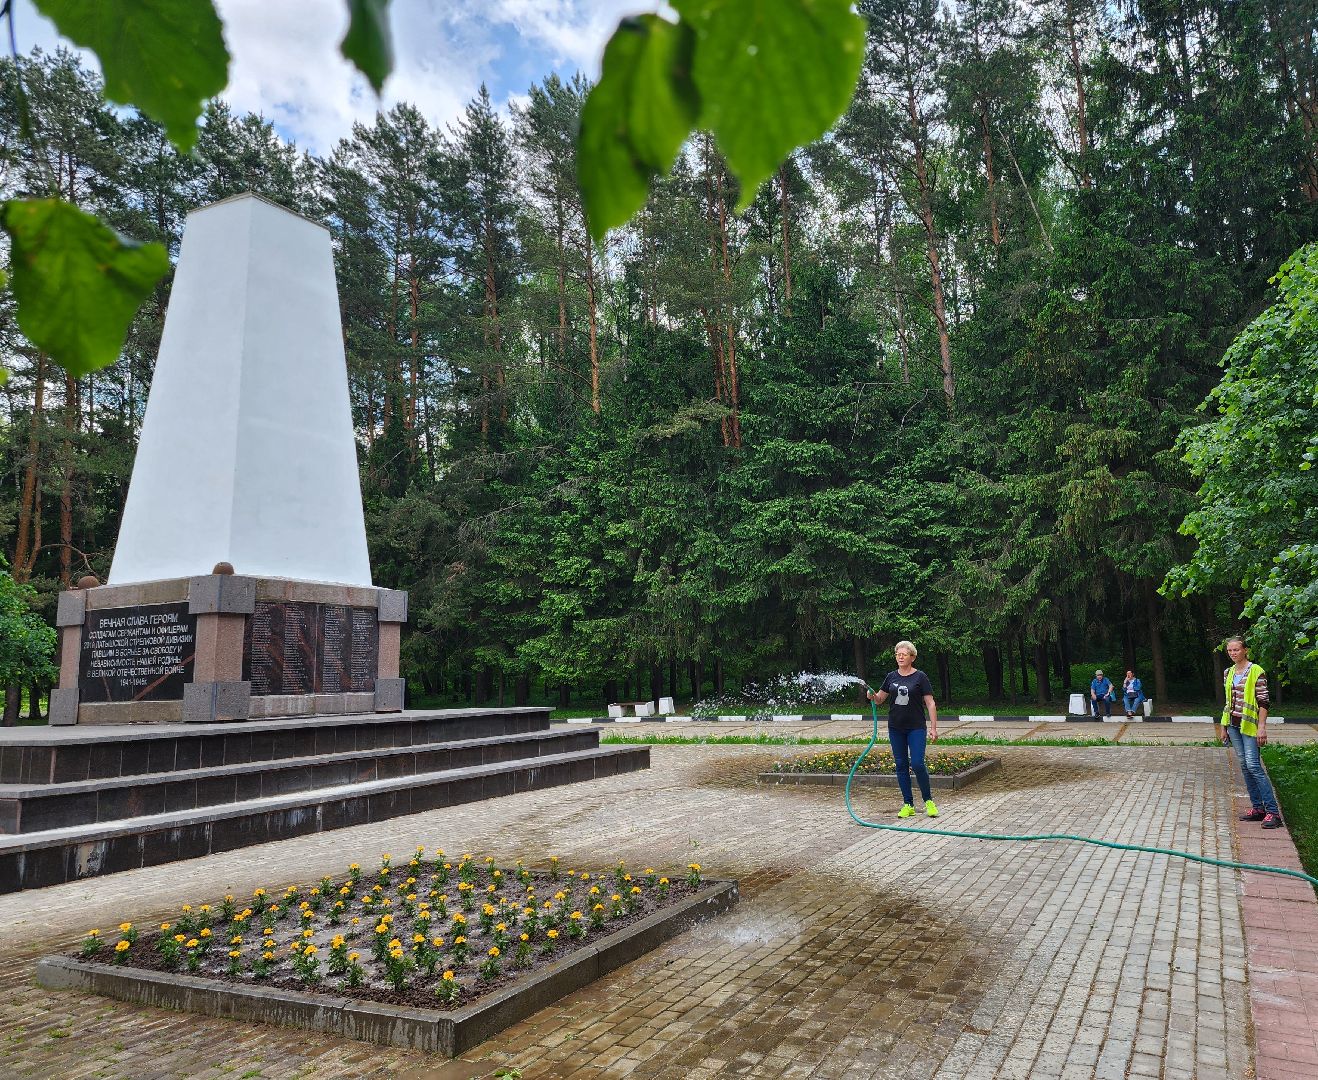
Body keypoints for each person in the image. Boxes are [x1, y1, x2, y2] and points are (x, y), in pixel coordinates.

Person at [867, 640, 940, 819]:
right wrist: (872, 696)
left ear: (912, 657)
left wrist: (933, 728)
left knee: (917, 763)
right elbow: (880, 699)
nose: (900, 657)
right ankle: (908, 804)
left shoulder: (920, 677)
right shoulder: (891, 677)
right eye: (898, 654)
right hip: (896, 728)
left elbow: (930, 703)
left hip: (916, 728)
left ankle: (928, 801)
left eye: (904, 654)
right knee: (901, 765)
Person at [1219, 636, 1283, 829]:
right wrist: (1223, 727)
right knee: (1245, 766)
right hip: (1233, 725)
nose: (1232, 653)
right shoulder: (1228, 672)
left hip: (1250, 726)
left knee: (1254, 766)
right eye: (1230, 651)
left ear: (1245, 650)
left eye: (1236, 650)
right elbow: (1228, 702)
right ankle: (1258, 809)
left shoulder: (1256, 671)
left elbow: (1263, 701)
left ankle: (1273, 812)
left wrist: (1261, 727)